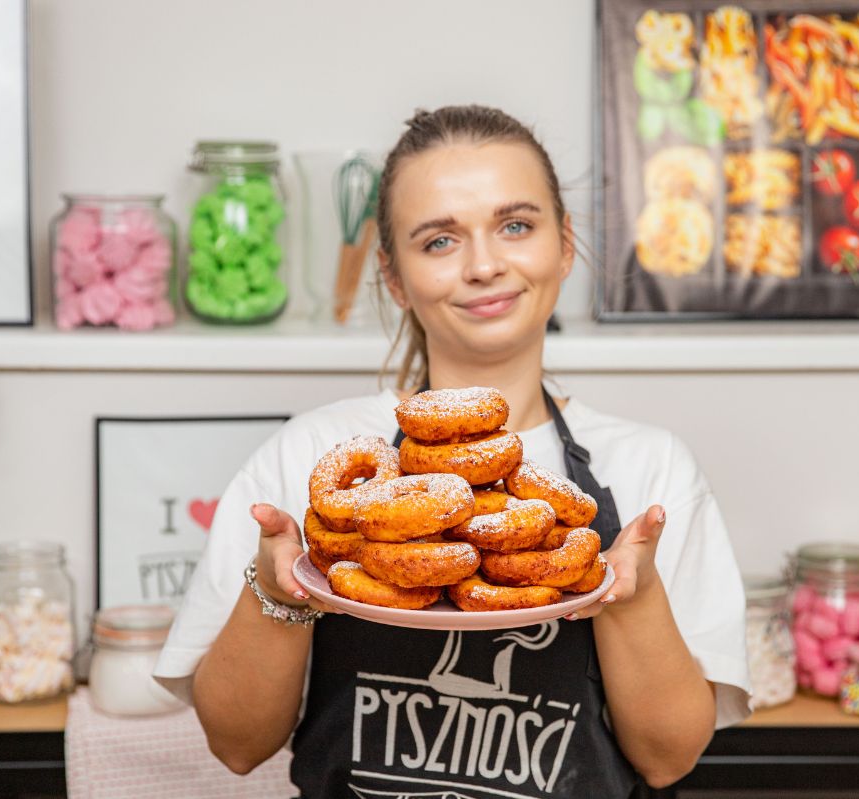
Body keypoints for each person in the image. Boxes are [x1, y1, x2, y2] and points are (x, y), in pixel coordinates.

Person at [154, 105, 750, 798]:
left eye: (516, 226)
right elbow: (235, 744)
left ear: (564, 245)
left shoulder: (650, 469)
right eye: (439, 241)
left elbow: (668, 757)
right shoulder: (307, 458)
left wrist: (630, 593)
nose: (484, 264)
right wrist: (278, 589)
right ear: (396, 277)